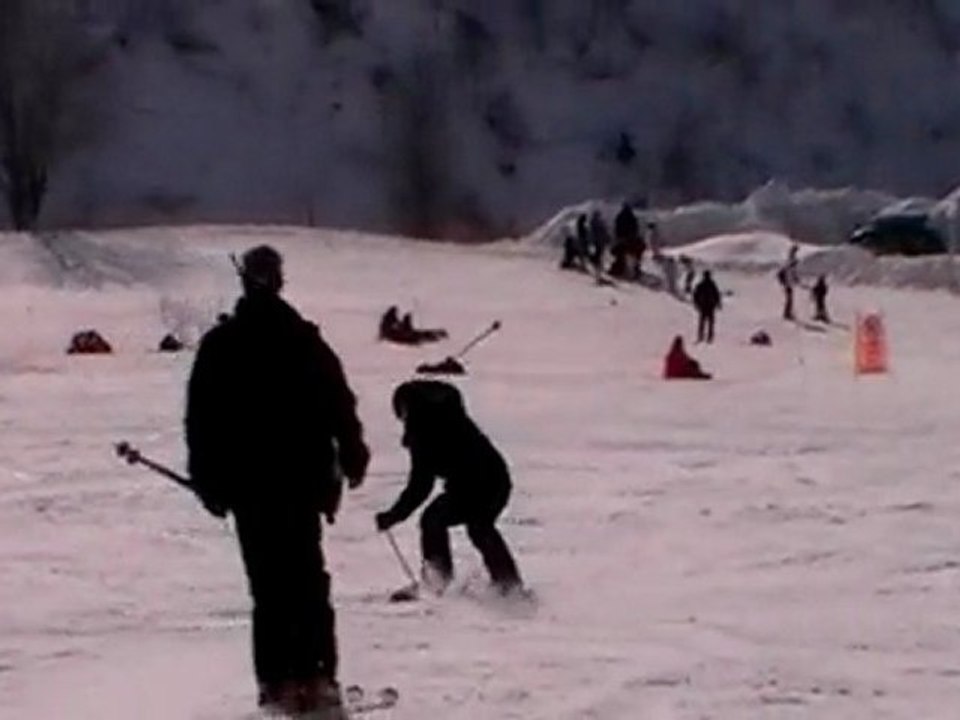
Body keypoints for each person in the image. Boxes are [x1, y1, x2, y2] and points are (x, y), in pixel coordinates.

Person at [185, 245, 369, 718]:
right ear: (279, 281)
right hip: (298, 483)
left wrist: (208, 481)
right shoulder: (302, 339)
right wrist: (352, 454)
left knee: (270, 587)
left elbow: (200, 421)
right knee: (306, 584)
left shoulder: (223, 344)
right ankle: (316, 677)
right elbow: (339, 404)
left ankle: (279, 683)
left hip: (253, 488)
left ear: (245, 282)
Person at [375, 380, 523, 596]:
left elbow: (420, 485)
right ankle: (507, 583)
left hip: (478, 485)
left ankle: (438, 580)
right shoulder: (451, 418)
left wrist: (394, 515)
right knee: (477, 527)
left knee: (446, 521)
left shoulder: (424, 431)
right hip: (494, 481)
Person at [692, 270, 722, 343]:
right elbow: (717, 295)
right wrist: (718, 303)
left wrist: (696, 304)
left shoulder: (701, 285)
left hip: (705, 306)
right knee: (709, 323)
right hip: (709, 306)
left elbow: (695, 295)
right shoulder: (711, 285)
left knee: (703, 322)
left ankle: (702, 337)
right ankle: (708, 337)